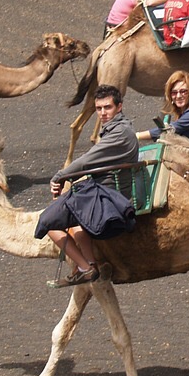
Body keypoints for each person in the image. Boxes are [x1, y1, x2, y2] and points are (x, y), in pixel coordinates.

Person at [42, 85, 141, 287]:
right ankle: (87, 265)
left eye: (107, 107)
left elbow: (88, 160)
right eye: (99, 108)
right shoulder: (117, 129)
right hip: (103, 188)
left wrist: (60, 176)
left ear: (119, 107)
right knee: (71, 211)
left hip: (110, 196)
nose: (103, 113)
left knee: (49, 222)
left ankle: (86, 268)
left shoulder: (119, 134)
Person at [137, 71, 189, 150]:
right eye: (174, 92)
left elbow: (166, 131)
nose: (178, 96)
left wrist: (137, 136)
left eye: (183, 91)